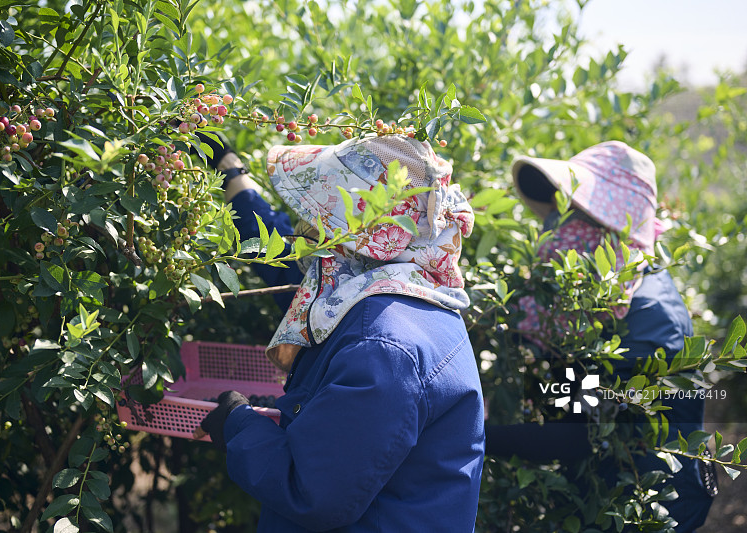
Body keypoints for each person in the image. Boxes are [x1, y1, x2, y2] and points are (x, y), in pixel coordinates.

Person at [193, 133, 485, 532]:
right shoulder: (412, 302)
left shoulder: (383, 346)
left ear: (358, 236)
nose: (302, 230)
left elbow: (312, 491)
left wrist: (238, 423)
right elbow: (279, 251)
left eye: (320, 216)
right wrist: (233, 175)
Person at [485, 141, 715, 531]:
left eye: (581, 215)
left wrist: (481, 435)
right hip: (602, 493)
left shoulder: (650, 325)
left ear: (614, 226)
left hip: (648, 510)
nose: (560, 229)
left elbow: (580, 435)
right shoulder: (617, 294)